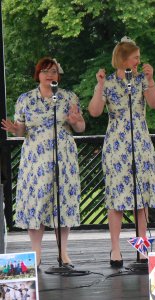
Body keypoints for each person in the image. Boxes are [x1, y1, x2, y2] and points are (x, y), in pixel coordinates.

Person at [1, 57, 85, 267]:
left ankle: (62, 253)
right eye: (45, 71)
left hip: (63, 158)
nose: (50, 75)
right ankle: (36, 254)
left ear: (59, 75)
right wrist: (15, 130)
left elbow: (80, 128)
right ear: (37, 74)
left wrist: (76, 122)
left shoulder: (68, 97)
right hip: (35, 159)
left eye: (54, 71)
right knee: (36, 204)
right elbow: (22, 131)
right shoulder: (25, 99)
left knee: (62, 203)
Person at [88, 36, 155, 267]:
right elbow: (94, 112)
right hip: (116, 145)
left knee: (141, 200)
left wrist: (150, 80)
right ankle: (116, 250)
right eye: (135, 57)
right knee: (116, 200)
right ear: (123, 59)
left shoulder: (141, 80)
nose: (139, 61)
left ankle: (142, 248)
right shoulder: (107, 82)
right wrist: (99, 86)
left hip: (140, 143)